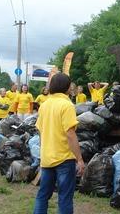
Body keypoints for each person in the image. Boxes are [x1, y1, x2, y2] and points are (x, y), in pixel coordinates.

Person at [33, 73, 85, 214]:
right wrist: (79, 159)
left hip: (47, 158)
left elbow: (40, 131)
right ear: (66, 87)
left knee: (42, 196)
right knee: (65, 198)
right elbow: (70, 133)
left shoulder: (44, 105)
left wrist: (43, 151)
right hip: (64, 158)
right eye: (70, 85)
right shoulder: (67, 105)